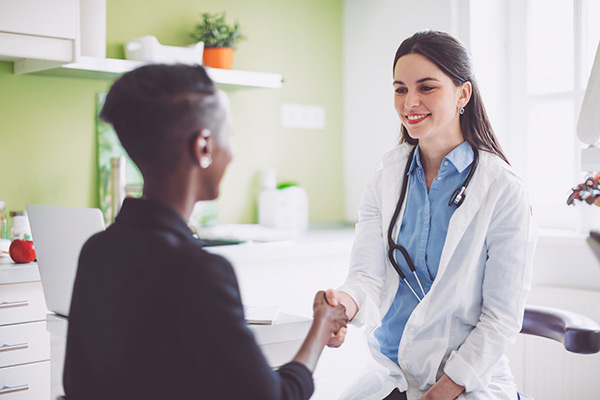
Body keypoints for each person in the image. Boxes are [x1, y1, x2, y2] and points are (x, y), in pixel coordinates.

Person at [63, 64, 348, 400]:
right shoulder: (199, 273)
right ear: (204, 147)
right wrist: (322, 324)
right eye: (231, 135)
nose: (234, 151)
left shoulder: (98, 250)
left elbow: (79, 386)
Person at [324, 30, 537, 400]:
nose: (410, 102)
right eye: (401, 89)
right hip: (391, 377)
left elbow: (500, 319)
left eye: (426, 87)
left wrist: (441, 393)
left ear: (463, 94)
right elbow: (367, 277)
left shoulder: (504, 190)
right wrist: (342, 304)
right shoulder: (385, 177)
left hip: (466, 381)